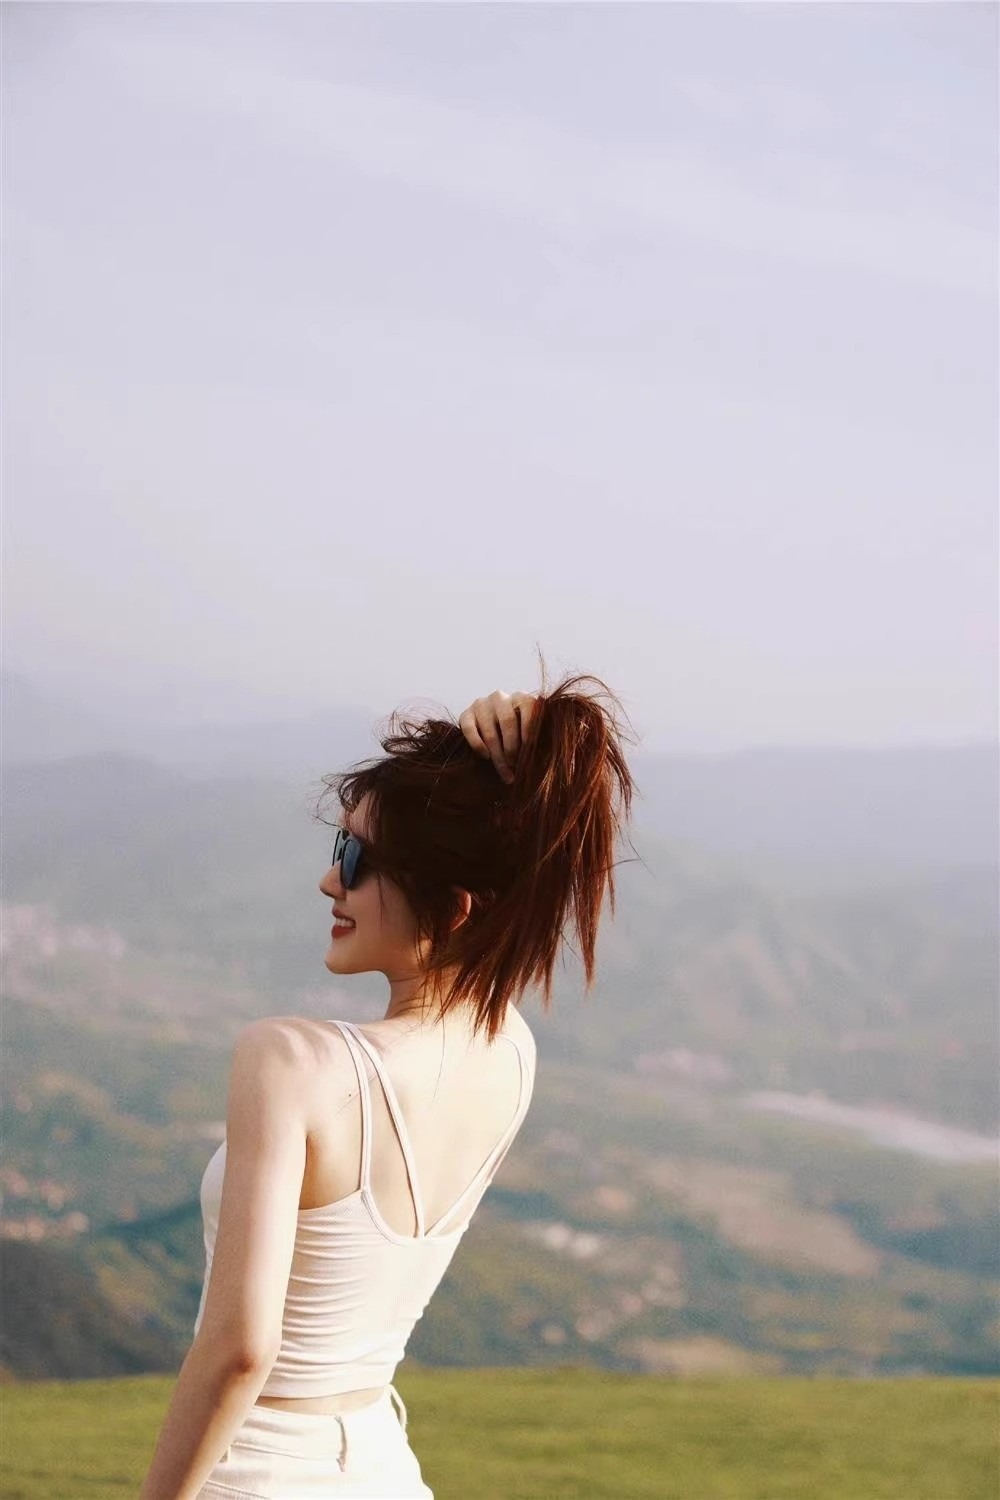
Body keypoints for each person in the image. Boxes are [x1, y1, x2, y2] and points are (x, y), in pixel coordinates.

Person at [138, 671, 637, 1500]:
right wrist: (499, 754)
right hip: (382, 1467)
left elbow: (239, 1351)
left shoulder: (289, 1062)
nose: (329, 880)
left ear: (454, 908)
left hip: (256, 1469)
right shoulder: (511, 1053)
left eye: (356, 859)